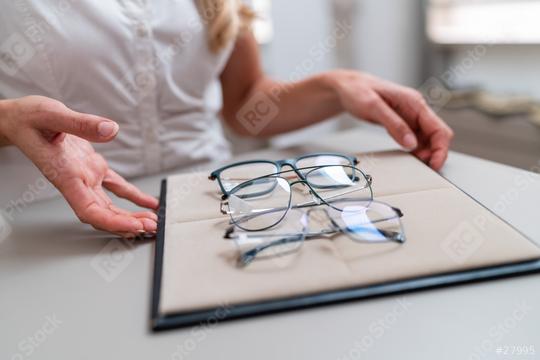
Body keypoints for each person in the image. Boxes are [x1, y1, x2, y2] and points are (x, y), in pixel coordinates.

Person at [0, 0, 453, 237]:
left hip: (217, 207)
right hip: (46, 224)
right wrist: (8, 120)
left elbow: (245, 105)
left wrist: (336, 86)